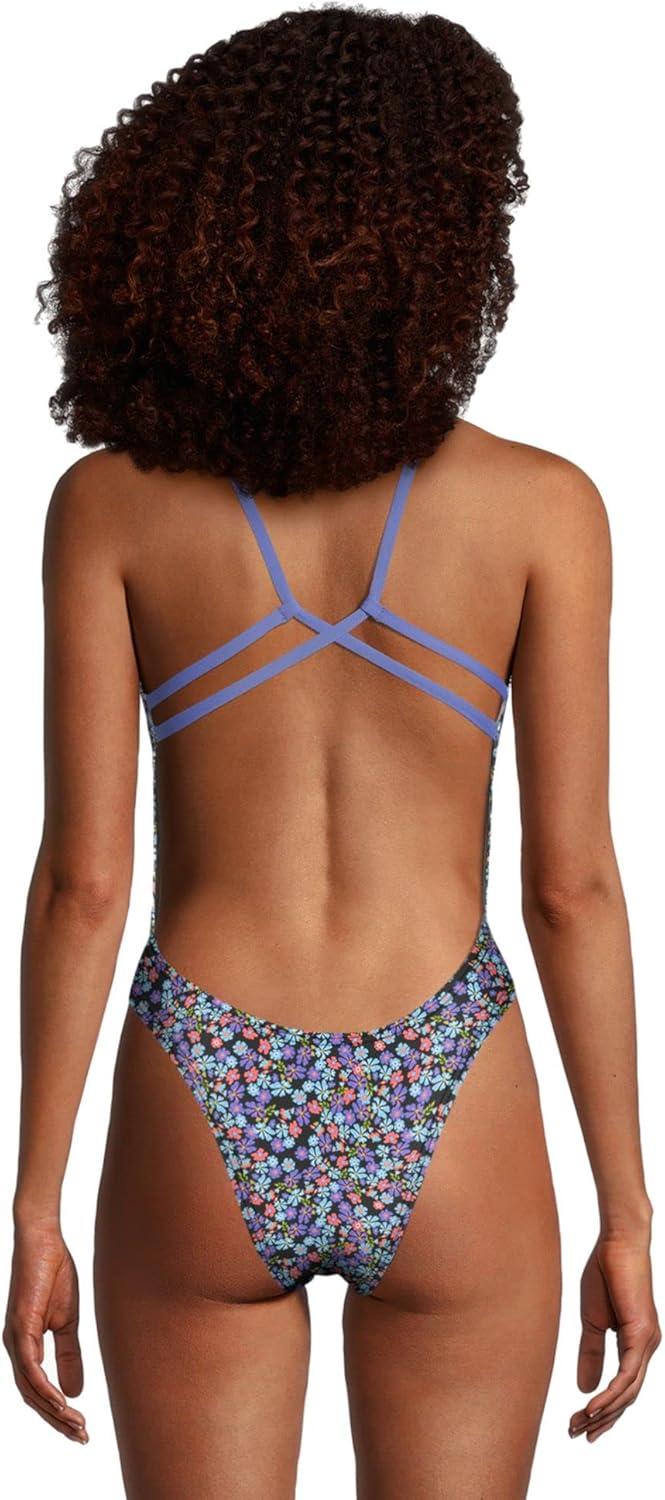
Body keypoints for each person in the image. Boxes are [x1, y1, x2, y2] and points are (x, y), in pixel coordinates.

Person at [3, 7, 659, 1497]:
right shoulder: (544, 509)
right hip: (449, 1078)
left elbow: (82, 886)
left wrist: (36, 1205)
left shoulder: (110, 508)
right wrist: (626, 1211)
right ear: (445, 237)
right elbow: (571, 890)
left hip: (202, 1076)